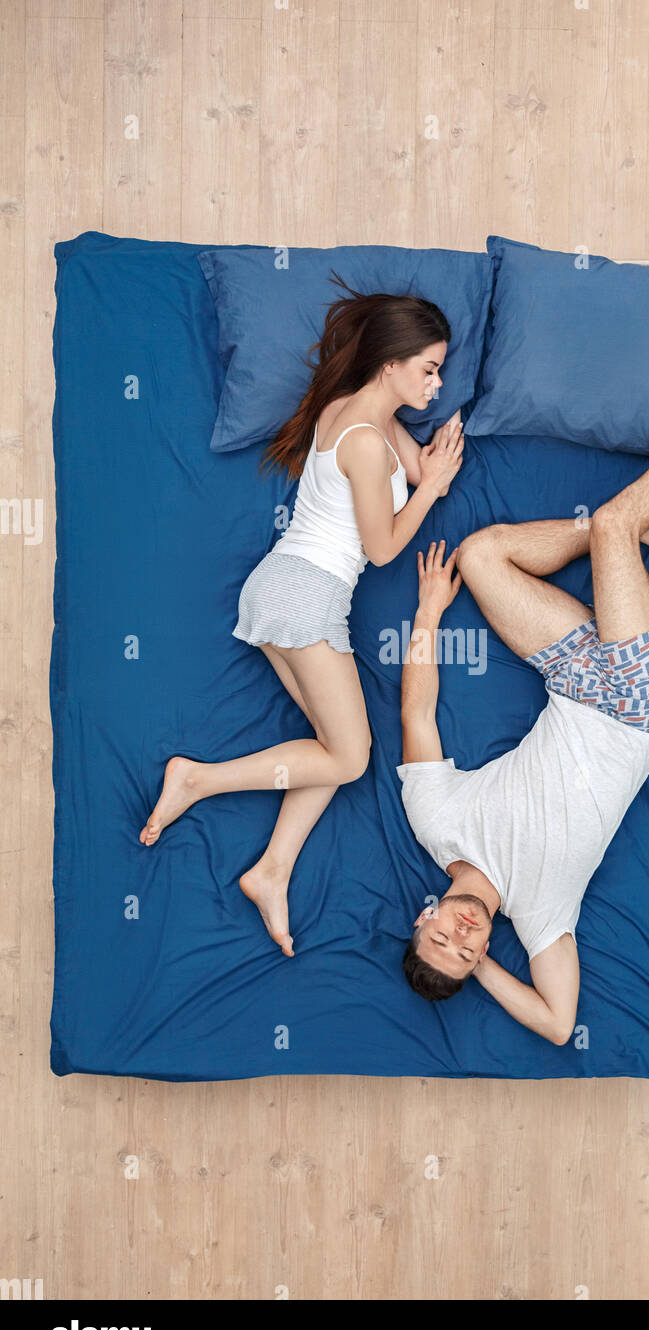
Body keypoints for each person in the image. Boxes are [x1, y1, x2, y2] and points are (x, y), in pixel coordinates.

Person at [397, 318, 649, 1043]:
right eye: (467, 952)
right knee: (609, 529)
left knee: (478, 557)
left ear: (424, 916)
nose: (463, 935)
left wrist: (427, 614)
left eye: (442, 938)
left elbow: (418, 716)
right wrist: (487, 973)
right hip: (634, 704)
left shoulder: (434, 826)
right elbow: (559, 1025)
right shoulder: (542, 917)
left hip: (569, 679)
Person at [139, 273, 465, 958]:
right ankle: (197, 778)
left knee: (326, 748)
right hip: (311, 596)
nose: (438, 385)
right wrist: (431, 489)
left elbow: (408, 451)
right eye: (430, 369)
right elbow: (381, 550)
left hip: (279, 589)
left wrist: (426, 460)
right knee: (349, 757)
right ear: (391, 361)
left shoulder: (352, 411)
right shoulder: (368, 442)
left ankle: (273, 869)